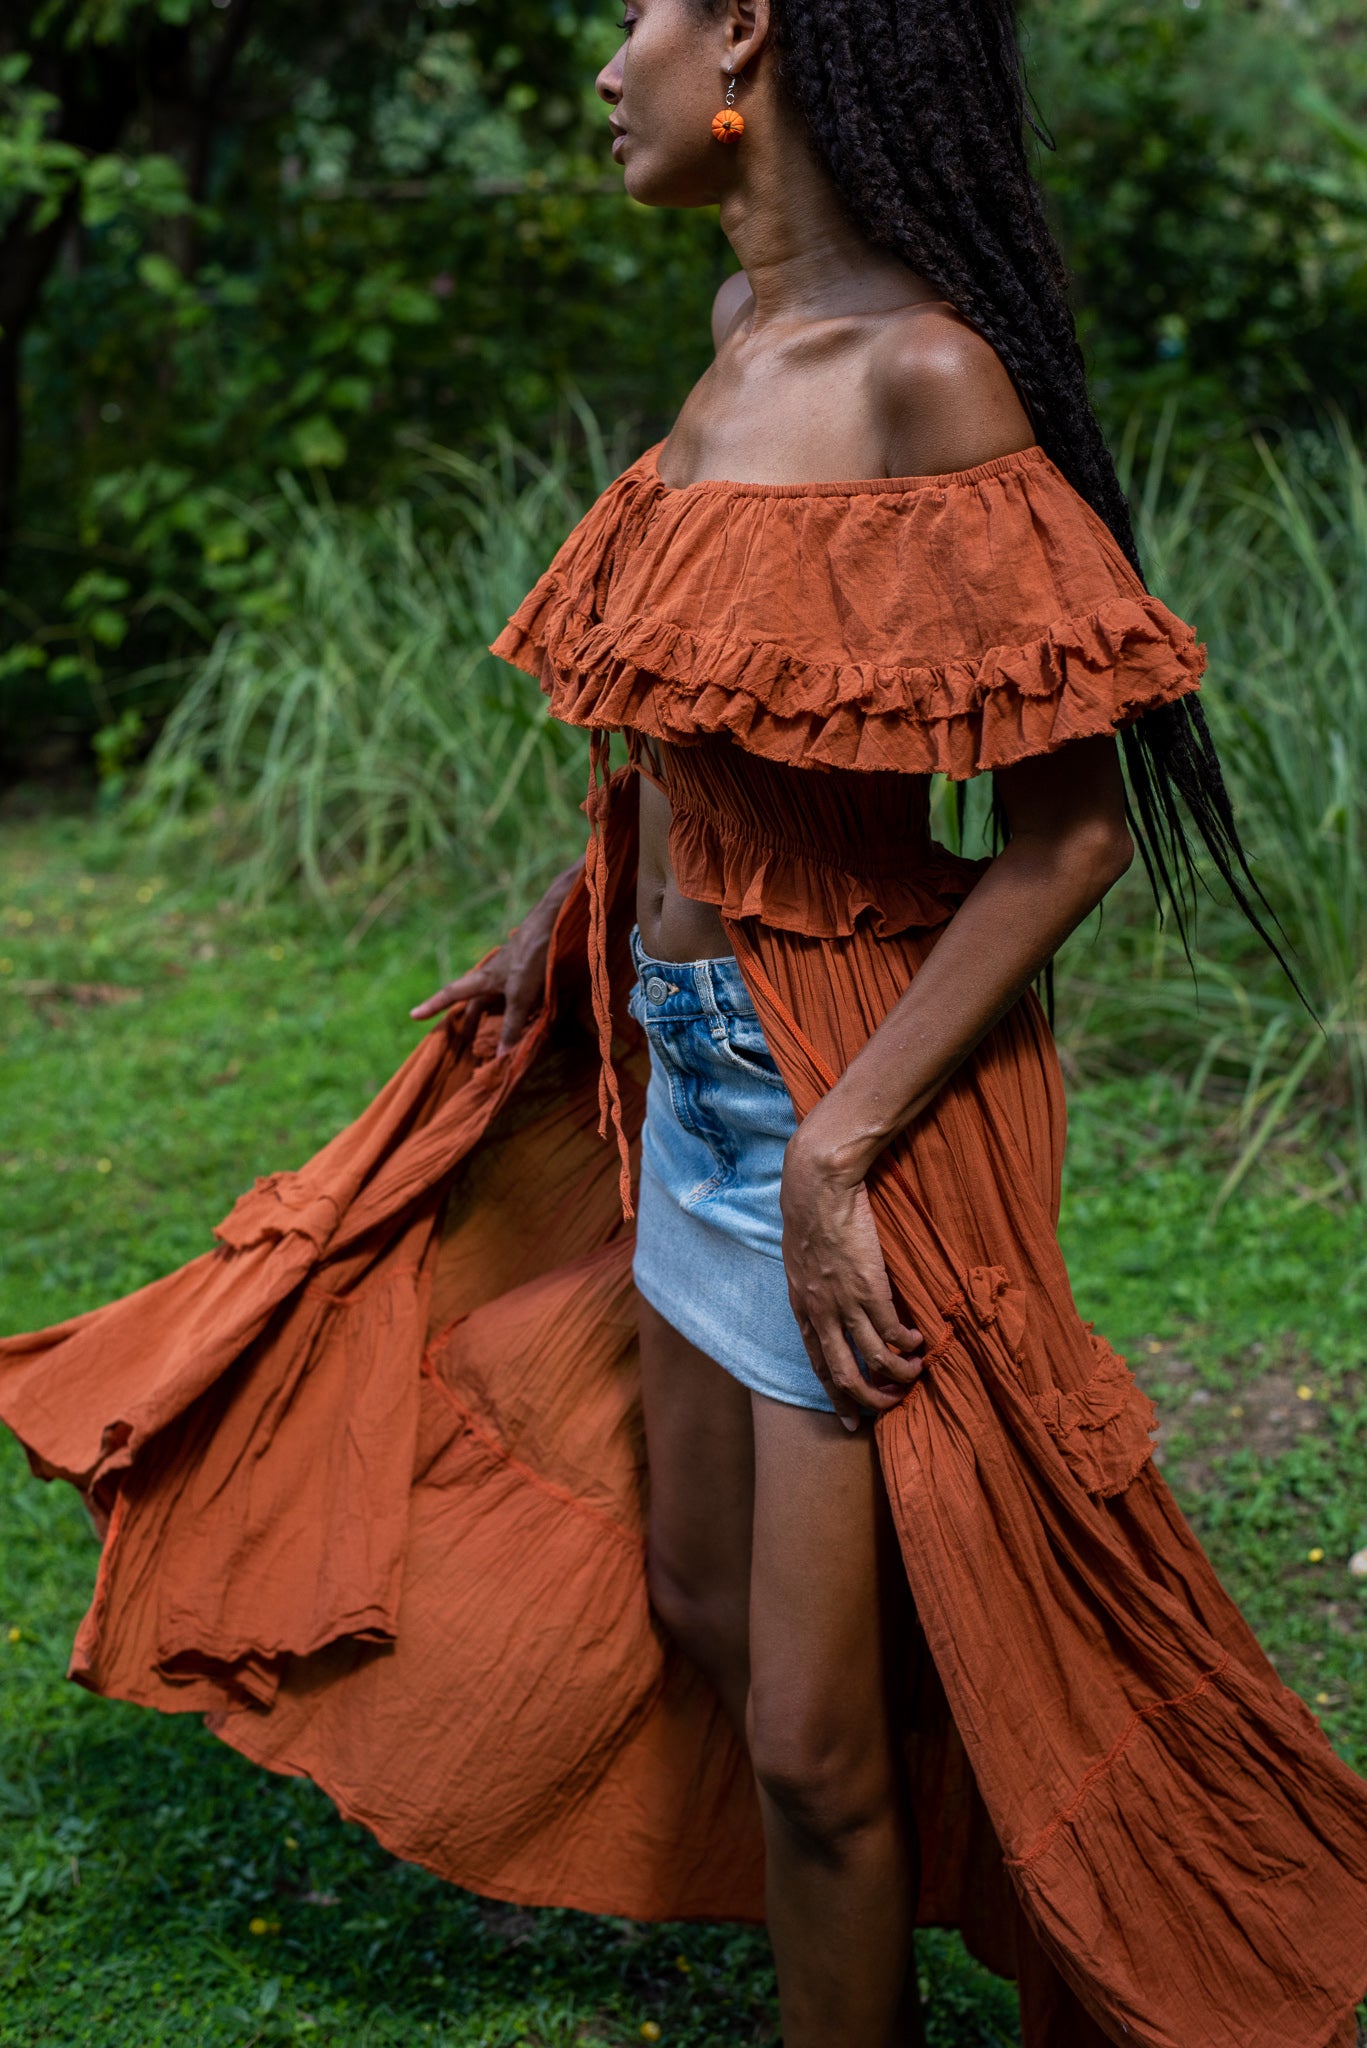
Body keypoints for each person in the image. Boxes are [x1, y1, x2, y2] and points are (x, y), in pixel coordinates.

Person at [4, 3, 1367, 2045]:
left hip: (849, 1096)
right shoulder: (743, 330)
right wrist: (560, 913)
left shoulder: (927, 375)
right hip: (685, 1056)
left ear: (746, 29)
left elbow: (1067, 834)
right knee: (709, 1608)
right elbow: (718, 719)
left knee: (818, 1737)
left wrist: (838, 1153)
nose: (600, 70)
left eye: (629, 16)